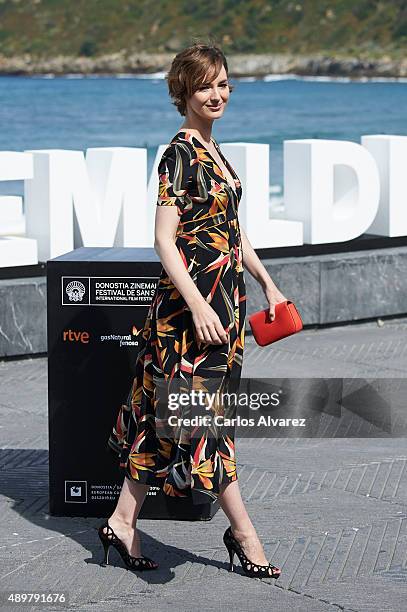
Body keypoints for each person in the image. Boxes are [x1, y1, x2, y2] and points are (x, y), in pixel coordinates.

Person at [97, 43, 286, 579]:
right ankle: (245, 535)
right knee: (206, 425)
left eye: (224, 83)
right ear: (183, 91)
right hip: (188, 315)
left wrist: (268, 283)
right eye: (206, 84)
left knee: (170, 420)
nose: (218, 93)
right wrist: (201, 305)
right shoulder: (177, 154)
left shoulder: (216, 151)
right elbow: (164, 240)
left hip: (225, 305)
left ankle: (121, 522)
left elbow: (231, 233)